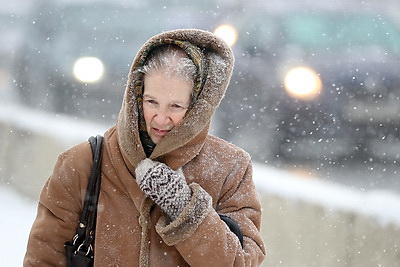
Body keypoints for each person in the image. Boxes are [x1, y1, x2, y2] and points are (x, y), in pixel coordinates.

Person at [24, 29, 266, 266]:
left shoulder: (229, 168)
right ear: (136, 96)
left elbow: (241, 262)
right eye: (152, 102)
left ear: (197, 107)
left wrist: (185, 210)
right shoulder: (83, 163)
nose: (161, 119)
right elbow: (43, 258)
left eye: (175, 106)